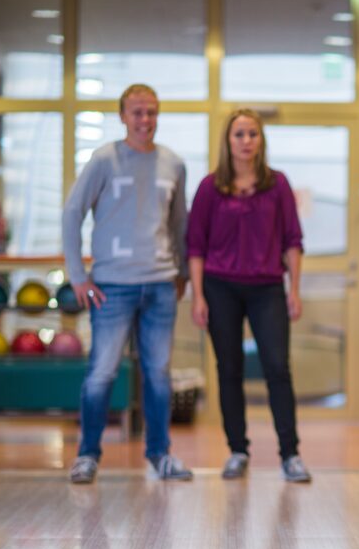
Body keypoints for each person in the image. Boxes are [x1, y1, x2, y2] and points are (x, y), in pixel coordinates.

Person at [63, 83, 192, 484]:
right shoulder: (103, 160)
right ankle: (88, 455)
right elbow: (72, 213)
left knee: (158, 373)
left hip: (159, 285)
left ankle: (160, 455)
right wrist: (77, 276)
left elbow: (179, 225)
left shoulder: (174, 164)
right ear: (122, 116)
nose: (145, 120)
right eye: (137, 112)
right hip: (112, 286)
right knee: (102, 372)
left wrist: (183, 272)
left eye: (151, 112)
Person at [186, 108, 310, 483]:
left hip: (267, 288)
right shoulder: (210, 187)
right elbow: (195, 245)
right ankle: (237, 451)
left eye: (252, 134)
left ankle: (290, 455)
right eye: (239, 134)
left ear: (261, 140)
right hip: (219, 288)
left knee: (277, 369)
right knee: (229, 371)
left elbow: (293, 241)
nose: (246, 141)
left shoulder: (278, 185)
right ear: (228, 140)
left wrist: (295, 290)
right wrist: (197, 297)